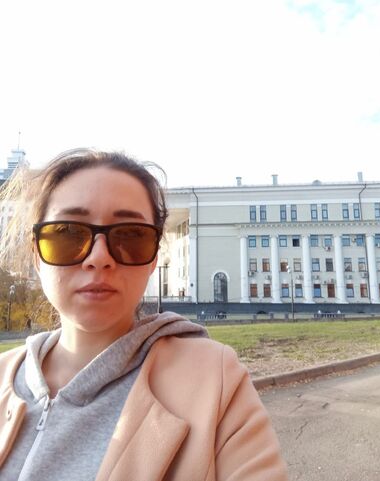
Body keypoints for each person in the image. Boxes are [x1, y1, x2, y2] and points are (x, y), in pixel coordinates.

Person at [0, 149, 288, 480]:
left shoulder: (215, 381)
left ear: (153, 259)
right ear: (36, 253)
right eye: (67, 232)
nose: (99, 258)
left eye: (131, 235)